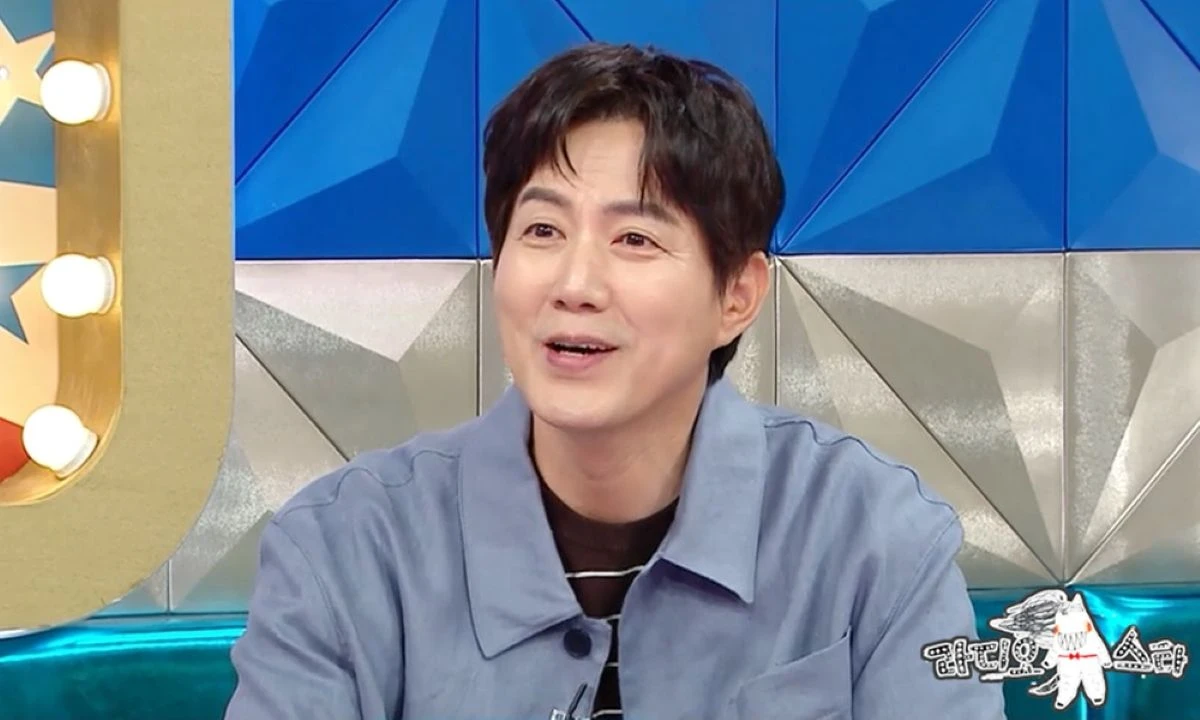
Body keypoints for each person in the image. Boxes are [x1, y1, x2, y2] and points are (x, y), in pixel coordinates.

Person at [225, 42, 1006, 719]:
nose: (575, 284)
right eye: (542, 230)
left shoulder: (877, 541)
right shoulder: (344, 551)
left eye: (634, 238)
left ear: (737, 296)